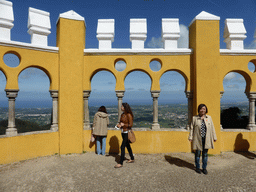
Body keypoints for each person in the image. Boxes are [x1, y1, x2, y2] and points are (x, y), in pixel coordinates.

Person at [188, 104, 217, 174]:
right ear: (199, 110)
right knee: (197, 153)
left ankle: (204, 168)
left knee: (205, 154)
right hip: (198, 138)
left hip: (206, 138)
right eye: (201, 109)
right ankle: (197, 167)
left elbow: (212, 128)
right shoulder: (194, 118)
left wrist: (214, 137)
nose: (202, 110)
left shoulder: (209, 118)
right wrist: (190, 137)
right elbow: (192, 128)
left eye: (204, 109)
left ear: (206, 110)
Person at [114, 102, 135, 168]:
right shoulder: (122, 114)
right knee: (127, 145)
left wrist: (124, 125)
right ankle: (132, 158)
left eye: (122, 106)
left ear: (125, 107)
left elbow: (130, 125)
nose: (121, 107)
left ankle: (121, 163)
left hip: (127, 133)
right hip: (123, 132)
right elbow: (121, 122)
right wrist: (119, 125)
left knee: (122, 147)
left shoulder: (129, 115)